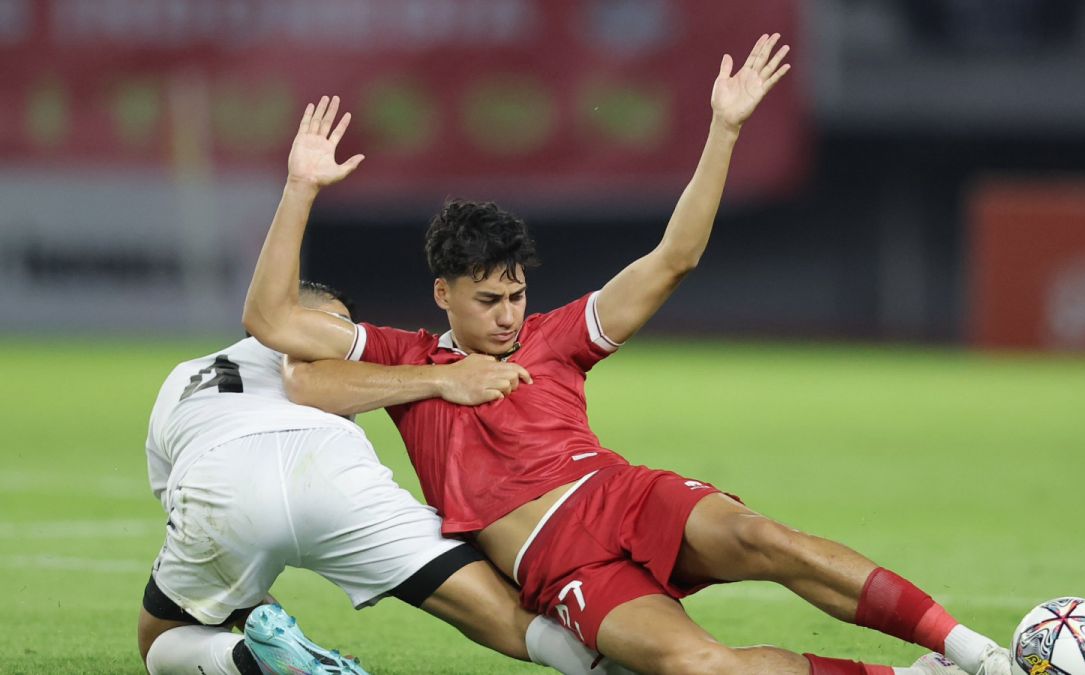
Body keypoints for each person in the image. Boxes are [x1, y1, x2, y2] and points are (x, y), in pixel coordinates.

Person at [245, 35, 1018, 675]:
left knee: (768, 541)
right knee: (699, 666)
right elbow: (272, 322)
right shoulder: (402, 358)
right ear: (443, 292)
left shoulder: (556, 336)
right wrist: (300, 190)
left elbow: (675, 258)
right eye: (488, 300)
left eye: (516, 294)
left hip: (622, 496)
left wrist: (725, 129)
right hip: (559, 564)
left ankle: (975, 652)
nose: (508, 315)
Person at [140, 282, 629, 674]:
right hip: (338, 477)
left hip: (218, 482)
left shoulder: (182, 376)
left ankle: (247, 661)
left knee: (163, 639)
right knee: (508, 616)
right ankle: (621, 666)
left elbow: (190, 513)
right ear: (295, 321)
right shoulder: (319, 355)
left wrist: (252, 611)